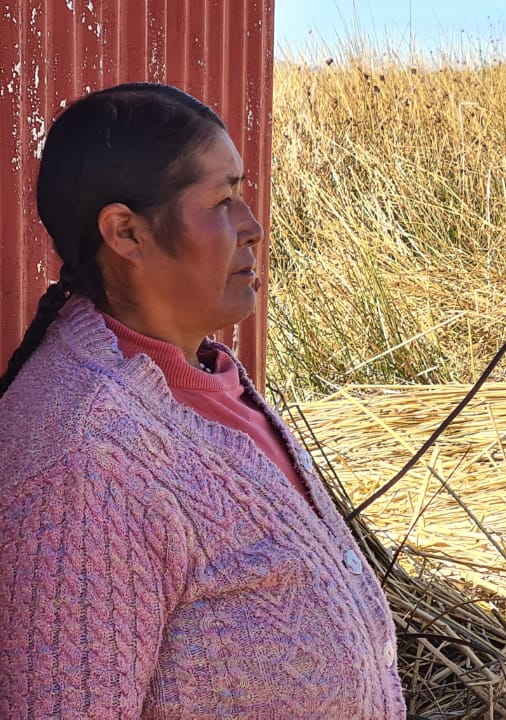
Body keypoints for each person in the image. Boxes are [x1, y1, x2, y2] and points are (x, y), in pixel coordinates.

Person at [0, 84, 405, 717]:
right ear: (127, 234)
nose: (253, 228)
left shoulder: (208, 381)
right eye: (223, 201)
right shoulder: (86, 464)